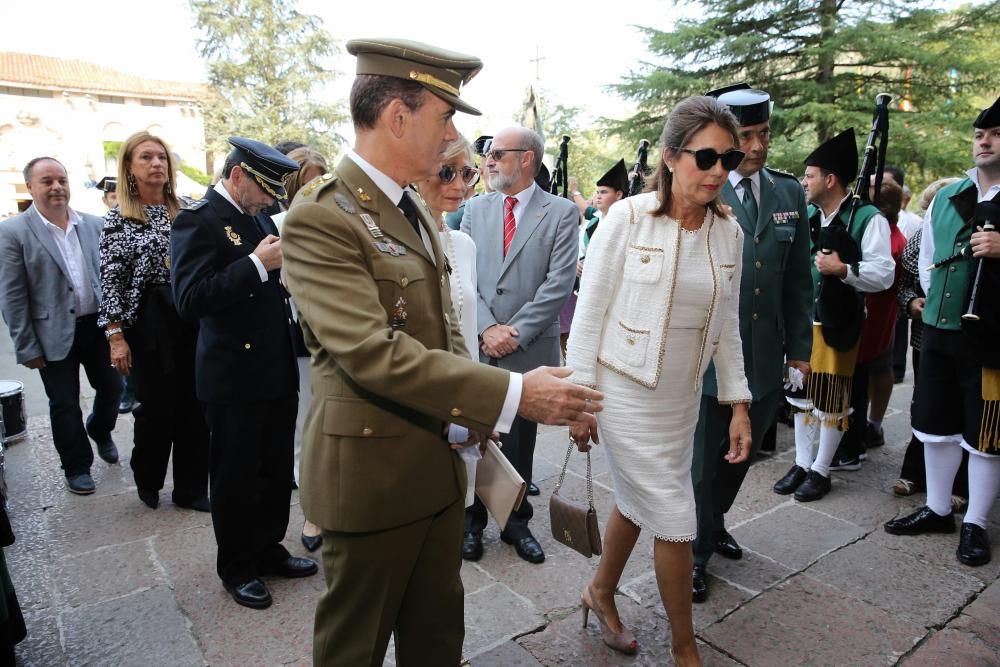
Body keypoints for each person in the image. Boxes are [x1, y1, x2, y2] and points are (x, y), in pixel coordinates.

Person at [280, 38, 603, 666]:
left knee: (437, 643)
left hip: (434, 470)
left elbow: (446, 333)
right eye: (445, 116)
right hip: (371, 482)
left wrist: (473, 417)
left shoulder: (410, 208)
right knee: (356, 648)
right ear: (399, 117)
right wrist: (514, 394)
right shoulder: (322, 216)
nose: (454, 134)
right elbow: (372, 354)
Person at [567, 95, 752, 664]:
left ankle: (599, 592)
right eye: (706, 157)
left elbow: (727, 329)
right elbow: (588, 315)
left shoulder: (730, 234)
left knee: (634, 501)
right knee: (675, 519)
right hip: (622, 392)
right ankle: (685, 648)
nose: (720, 169)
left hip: (681, 401)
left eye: (731, 158)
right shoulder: (624, 218)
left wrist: (738, 403)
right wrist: (578, 401)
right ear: (671, 157)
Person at [171, 137, 316, 609]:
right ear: (238, 176)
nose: (273, 201)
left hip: (273, 365)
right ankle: (236, 566)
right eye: (266, 190)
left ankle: (268, 548)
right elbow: (190, 300)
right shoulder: (198, 221)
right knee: (235, 475)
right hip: (233, 374)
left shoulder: (255, 215)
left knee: (274, 470)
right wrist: (256, 264)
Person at [691, 84, 813, 603]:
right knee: (700, 463)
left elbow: (798, 281)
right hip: (707, 360)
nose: (758, 146)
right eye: (747, 135)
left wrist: (800, 349)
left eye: (764, 133)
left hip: (764, 357)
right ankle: (693, 553)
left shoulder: (788, 193)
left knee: (741, 458)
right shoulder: (703, 187)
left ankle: (715, 523)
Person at [885, 97, 1000, 567]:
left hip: (992, 336)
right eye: (979, 135)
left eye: (994, 134)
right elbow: (929, 259)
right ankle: (936, 508)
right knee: (935, 424)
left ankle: (974, 520)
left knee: (984, 431)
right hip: (939, 328)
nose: (984, 141)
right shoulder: (951, 195)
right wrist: (935, 305)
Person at [460, 126, 580, 565]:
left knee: (519, 441)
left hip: (528, 349)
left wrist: (515, 333)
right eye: (488, 154)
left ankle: (516, 523)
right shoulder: (474, 209)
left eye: (496, 153)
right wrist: (487, 326)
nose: (488, 160)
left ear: (526, 158)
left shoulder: (562, 213)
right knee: (474, 434)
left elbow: (559, 283)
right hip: (480, 344)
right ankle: (471, 523)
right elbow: (464, 277)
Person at [772, 128, 894, 502]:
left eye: (810, 175)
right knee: (802, 394)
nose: (804, 181)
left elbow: (884, 272)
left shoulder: (867, 218)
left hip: (838, 322)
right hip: (803, 321)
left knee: (830, 399)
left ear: (830, 179)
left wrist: (843, 270)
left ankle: (822, 469)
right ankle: (803, 461)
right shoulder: (807, 215)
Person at [99, 132, 209, 511]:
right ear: (129, 167)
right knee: (157, 407)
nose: (157, 163)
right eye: (146, 157)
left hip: (189, 315)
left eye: (161, 157)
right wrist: (116, 336)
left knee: (195, 405)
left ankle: (191, 489)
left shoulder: (189, 209)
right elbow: (110, 278)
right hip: (146, 321)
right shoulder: (118, 219)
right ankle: (148, 477)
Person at [0, 158, 122, 494]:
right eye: (47, 181)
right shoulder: (12, 233)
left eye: (62, 180)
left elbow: (109, 278)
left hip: (99, 328)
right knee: (65, 403)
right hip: (50, 334)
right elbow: (12, 296)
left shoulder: (94, 225)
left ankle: (100, 428)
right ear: (31, 187)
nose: (56, 187)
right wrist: (27, 346)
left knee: (112, 389)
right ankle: (77, 466)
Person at [415, 134, 482, 505]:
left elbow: (466, 333)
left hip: (462, 401)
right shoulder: (397, 244)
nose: (458, 185)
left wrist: (476, 404)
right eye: (445, 172)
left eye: (467, 173)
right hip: (417, 407)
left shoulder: (465, 245)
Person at [892, 178, 968, 501]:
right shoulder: (921, 237)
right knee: (924, 403)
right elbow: (904, 282)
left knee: (963, 408)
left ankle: (960, 485)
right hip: (927, 335)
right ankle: (914, 472)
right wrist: (911, 302)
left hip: (965, 335)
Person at [270, 145, 329, 554]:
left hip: (334, 334)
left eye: (321, 179)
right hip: (295, 335)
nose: (316, 188)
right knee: (304, 421)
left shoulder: (335, 221)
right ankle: (311, 505)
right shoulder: (275, 224)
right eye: (307, 181)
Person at [853, 178, 907, 455]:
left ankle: (870, 424)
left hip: (875, 309)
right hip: (882, 309)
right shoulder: (893, 233)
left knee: (870, 365)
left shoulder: (888, 236)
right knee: (879, 364)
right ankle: (873, 423)